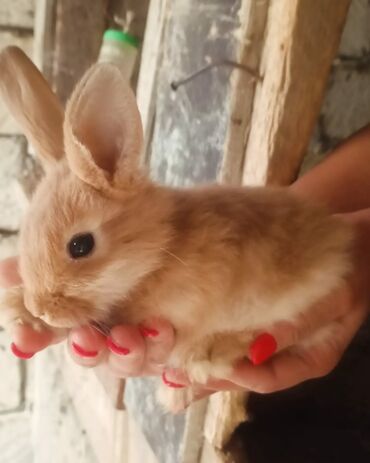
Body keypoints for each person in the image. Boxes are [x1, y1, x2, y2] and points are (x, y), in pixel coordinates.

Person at [1, 124, 370, 404]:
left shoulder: (182, 252)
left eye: (80, 246)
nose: (41, 303)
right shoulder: (154, 240)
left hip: (315, 271)